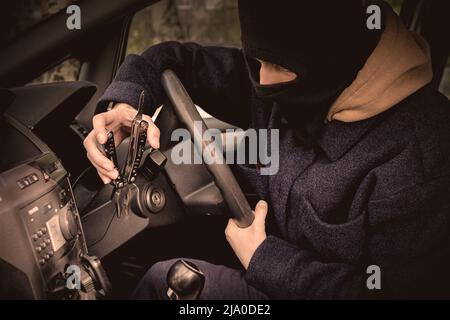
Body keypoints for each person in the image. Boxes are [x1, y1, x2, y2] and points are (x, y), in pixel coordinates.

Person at [83, 0, 450, 299]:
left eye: (278, 65)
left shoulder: (423, 151)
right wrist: (126, 104)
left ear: (333, 54)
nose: (261, 81)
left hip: (286, 281)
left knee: (164, 283)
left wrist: (266, 259)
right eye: (255, 60)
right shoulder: (290, 73)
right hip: (263, 264)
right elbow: (171, 59)